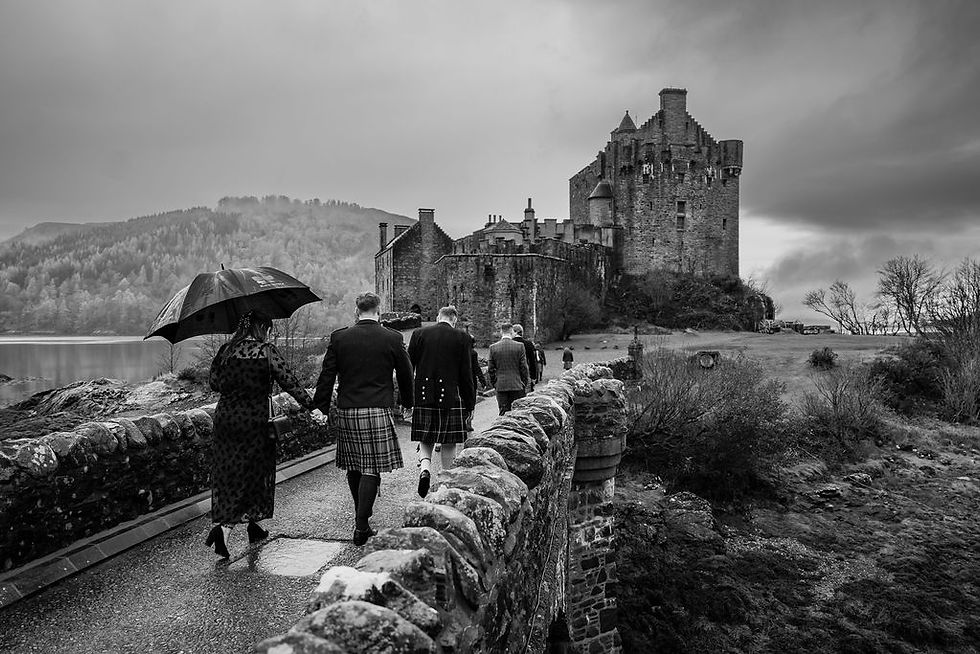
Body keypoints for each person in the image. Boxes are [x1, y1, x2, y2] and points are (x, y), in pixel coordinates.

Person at [206, 310, 315, 559]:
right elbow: (290, 382)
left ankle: (253, 526)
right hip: (254, 422)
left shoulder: (225, 351)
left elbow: (214, 383)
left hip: (225, 420)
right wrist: (311, 404)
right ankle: (225, 528)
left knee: (228, 473)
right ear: (260, 328)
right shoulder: (265, 352)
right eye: (267, 328)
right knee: (254, 472)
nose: (268, 333)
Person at [313, 292, 414, 546]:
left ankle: (363, 520)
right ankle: (361, 525)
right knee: (371, 467)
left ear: (357, 311)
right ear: (378, 310)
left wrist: (321, 408)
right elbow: (405, 373)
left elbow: (327, 376)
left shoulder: (340, 338)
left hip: (348, 409)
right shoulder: (392, 338)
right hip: (378, 409)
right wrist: (408, 404)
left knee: (354, 466)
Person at [407, 306, 475, 498]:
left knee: (426, 438)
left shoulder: (419, 334)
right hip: (450, 398)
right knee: (448, 442)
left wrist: (405, 398)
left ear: (438, 317)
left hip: (423, 396)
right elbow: (466, 375)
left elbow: (408, 366)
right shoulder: (462, 338)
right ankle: (446, 482)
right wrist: (470, 404)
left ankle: (425, 468)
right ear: (454, 319)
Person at [487, 322, 529, 415]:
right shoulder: (519, 346)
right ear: (512, 332)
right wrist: (524, 382)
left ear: (501, 332)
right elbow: (524, 367)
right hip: (517, 385)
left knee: (503, 413)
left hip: (501, 385)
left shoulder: (493, 348)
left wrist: (495, 383)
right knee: (517, 414)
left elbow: (490, 369)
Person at [512, 324, 538, 392]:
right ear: (522, 332)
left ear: (513, 332)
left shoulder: (510, 344)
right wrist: (533, 377)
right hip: (525, 373)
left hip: (513, 375)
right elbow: (532, 361)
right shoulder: (528, 344)